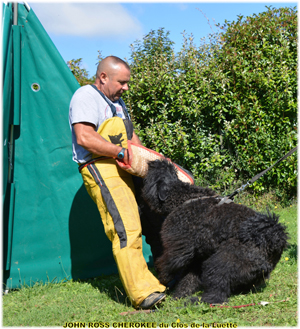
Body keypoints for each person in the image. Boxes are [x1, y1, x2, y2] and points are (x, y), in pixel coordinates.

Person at [69, 56, 166, 309]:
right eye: (122, 82)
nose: (126, 88)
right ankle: (144, 293)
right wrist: (120, 153)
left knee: (155, 219)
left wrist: (154, 161)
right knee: (127, 227)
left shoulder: (118, 103)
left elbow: (133, 142)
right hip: (100, 167)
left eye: (127, 83)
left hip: (126, 167)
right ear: (103, 77)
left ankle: (169, 276)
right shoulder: (85, 96)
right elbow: (84, 137)